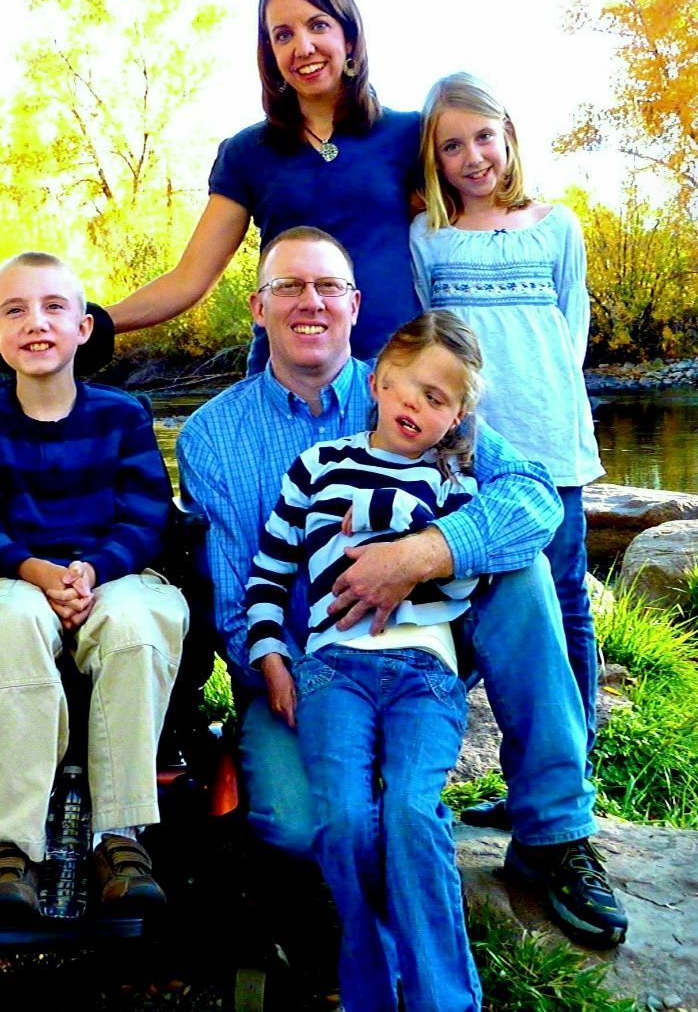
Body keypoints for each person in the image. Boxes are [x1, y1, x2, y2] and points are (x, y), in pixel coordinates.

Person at [177, 226, 628, 948]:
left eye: (327, 286)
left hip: (427, 646)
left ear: (355, 305)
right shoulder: (211, 435)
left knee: (522, 569)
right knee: (299, 824)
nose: (310, 302)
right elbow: (236, 601)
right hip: (310, 668)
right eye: (288, 286)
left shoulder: (416, 387)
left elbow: (534, 496)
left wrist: (425, 551)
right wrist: (282, 671)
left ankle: (552, 833)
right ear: (258, 309)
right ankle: (370, 830)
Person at [0, 251, 189, 922]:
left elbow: (146, 515)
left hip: (108, 572)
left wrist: (93, 568)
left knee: (138, 620)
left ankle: (120, 837)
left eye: (54, 307)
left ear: (84, 325)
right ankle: (8, 852)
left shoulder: (123, 415)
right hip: (0, 578)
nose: (36, 322)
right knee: (17, 619)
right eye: (14, 310)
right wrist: (35, 570)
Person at [245, 311, 485, 1012]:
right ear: (376, 382)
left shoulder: (452, 486)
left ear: (456, 417)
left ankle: (445, 999)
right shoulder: (318, 466)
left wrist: (384, 516)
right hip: (332, 670)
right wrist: (270, 653)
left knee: (411, 810)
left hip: (424, 672)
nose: (417, 405)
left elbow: (459, 580)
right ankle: (373, 994)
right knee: (346, 820)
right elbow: (269, 573)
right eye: (408, 388)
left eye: (438, 399)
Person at [411, 73, 604, 830]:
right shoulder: (427, 236)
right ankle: (441, 764)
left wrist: (548, 404)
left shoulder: (556, 226)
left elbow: (572, 330)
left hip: (552, 452)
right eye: (451, 144)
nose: (472, 156)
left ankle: (561, 773)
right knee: (474, 606)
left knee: (562, 605)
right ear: (434, 156)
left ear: (509, 135)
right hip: (470, 458)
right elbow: (430, 340)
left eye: (483, 136)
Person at [106, 0, 423, 373]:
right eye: (283, 35)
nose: (303, 47)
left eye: (319, 25)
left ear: (350, 36)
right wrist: (86, 323)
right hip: (285, 382)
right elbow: (189, 280)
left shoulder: (410, 134)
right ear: (270, 55)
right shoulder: (247, 153)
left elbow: (469, 230)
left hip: (397, 382)